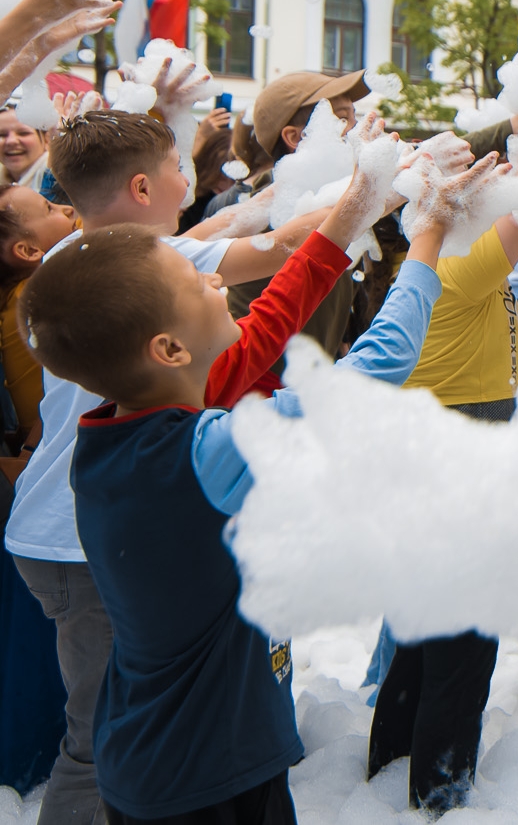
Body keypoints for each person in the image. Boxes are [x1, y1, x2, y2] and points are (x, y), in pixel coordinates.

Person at [13, 136, 488, 823]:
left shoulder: (108, 439)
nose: (214, 281)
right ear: (170, 348)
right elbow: (372, 368)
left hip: (157, 763)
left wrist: (363, 199)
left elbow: (269, 320)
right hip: (206, 778)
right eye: (196, 283)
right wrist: (430, 237)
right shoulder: (207, 453)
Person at [6, 109, 330, 825]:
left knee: (121, 724)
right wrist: (376, 199)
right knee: (96, 738)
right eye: (180, 166)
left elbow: (238, 239)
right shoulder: (127, 275)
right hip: (79, 542)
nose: (191, 179)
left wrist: (361, 193)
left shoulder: (117, 261)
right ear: (145, 187)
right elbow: (262, 249)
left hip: (78, 529)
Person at [366, 76, 518, 814]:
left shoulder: (430, 265)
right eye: (469, 169)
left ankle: (386, 771)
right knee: (462, 641)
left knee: (419, 627)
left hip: (434, 448)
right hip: (457, 453)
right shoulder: (457, 268)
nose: (486, 175)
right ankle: (439, 793)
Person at [220, 69, 372, 358]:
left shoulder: (327, 195)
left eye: (354, 115)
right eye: (341, 118)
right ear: (295, 136)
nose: (355, 128)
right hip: (267, 392)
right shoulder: (273, 211)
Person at [0, 185, 76, 459]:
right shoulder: (39, 297)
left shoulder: (17, 294)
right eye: (49, 208)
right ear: (29, 250)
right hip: (53, 445)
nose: (68, 208)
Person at [0, 106, 49, 195]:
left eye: (23, 133)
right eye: (2, 135)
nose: (11, 141)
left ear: (46, 139)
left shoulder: (60, 179)